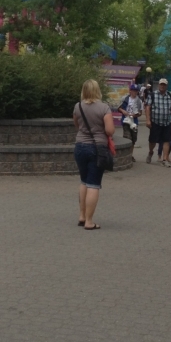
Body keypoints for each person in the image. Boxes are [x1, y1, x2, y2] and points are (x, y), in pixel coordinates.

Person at [73, 79, 114, 231]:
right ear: (97, 90)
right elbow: (110, 130)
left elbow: (77, 124)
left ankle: (82, 216)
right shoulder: (104, 108)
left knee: (84, 181)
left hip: (80, 147)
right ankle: (89, 222)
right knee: (93, 184)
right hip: (97, 148)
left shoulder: (78, 106)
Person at [144, 78, 171, 166]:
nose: (162, 86)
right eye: (161, 84)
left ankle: (164, 159)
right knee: (152, 140)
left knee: (167, 140)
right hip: (155, 122)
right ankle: (150, 152)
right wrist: (148, 120)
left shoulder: (170, 95)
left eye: (164, 85)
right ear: (158, 85)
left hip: (166, 122)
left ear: (166, 86)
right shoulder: (153, 94)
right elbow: (148, 107)